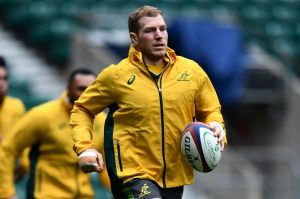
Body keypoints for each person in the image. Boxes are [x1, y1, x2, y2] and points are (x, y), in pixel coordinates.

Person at [70, 5, 227, 199]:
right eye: (150, 30)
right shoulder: (116, 76)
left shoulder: (192, 71)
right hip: (131, 174)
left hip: (174, 177)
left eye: (162, 28)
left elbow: (211, 109)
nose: (159, 35)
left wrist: (215, 124)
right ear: (134, 39)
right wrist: (85, 148)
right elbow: (82, 109)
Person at [0, 68, 110, 199]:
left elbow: (105, 167)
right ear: (68, 88)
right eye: (81, 88)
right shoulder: (42, 115)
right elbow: (8, 149)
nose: (87, 93)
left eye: (92, 88)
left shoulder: (102, 121)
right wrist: (7, 193)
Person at [0, 56, 29, 183]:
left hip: (7, 175)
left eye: (4, 78)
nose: (1, 83)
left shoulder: (16, 106)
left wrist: (24, 162)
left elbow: (24, 138)